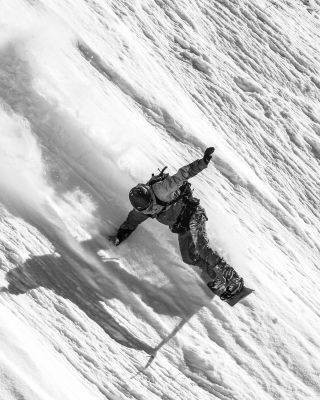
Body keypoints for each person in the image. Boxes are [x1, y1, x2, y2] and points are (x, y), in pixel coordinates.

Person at [108, 147, 249, 306]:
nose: (152, 208)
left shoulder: (161, 190)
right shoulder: (141, 211)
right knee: (188, 257)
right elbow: (130, 223)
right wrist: (119, 237)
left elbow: (183, 174)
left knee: (202, 248)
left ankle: (233, 279)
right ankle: (216, 277)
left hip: (193, 214)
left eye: (151, 204)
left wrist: (202, 162)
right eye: (148, 208)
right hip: (182, 226)